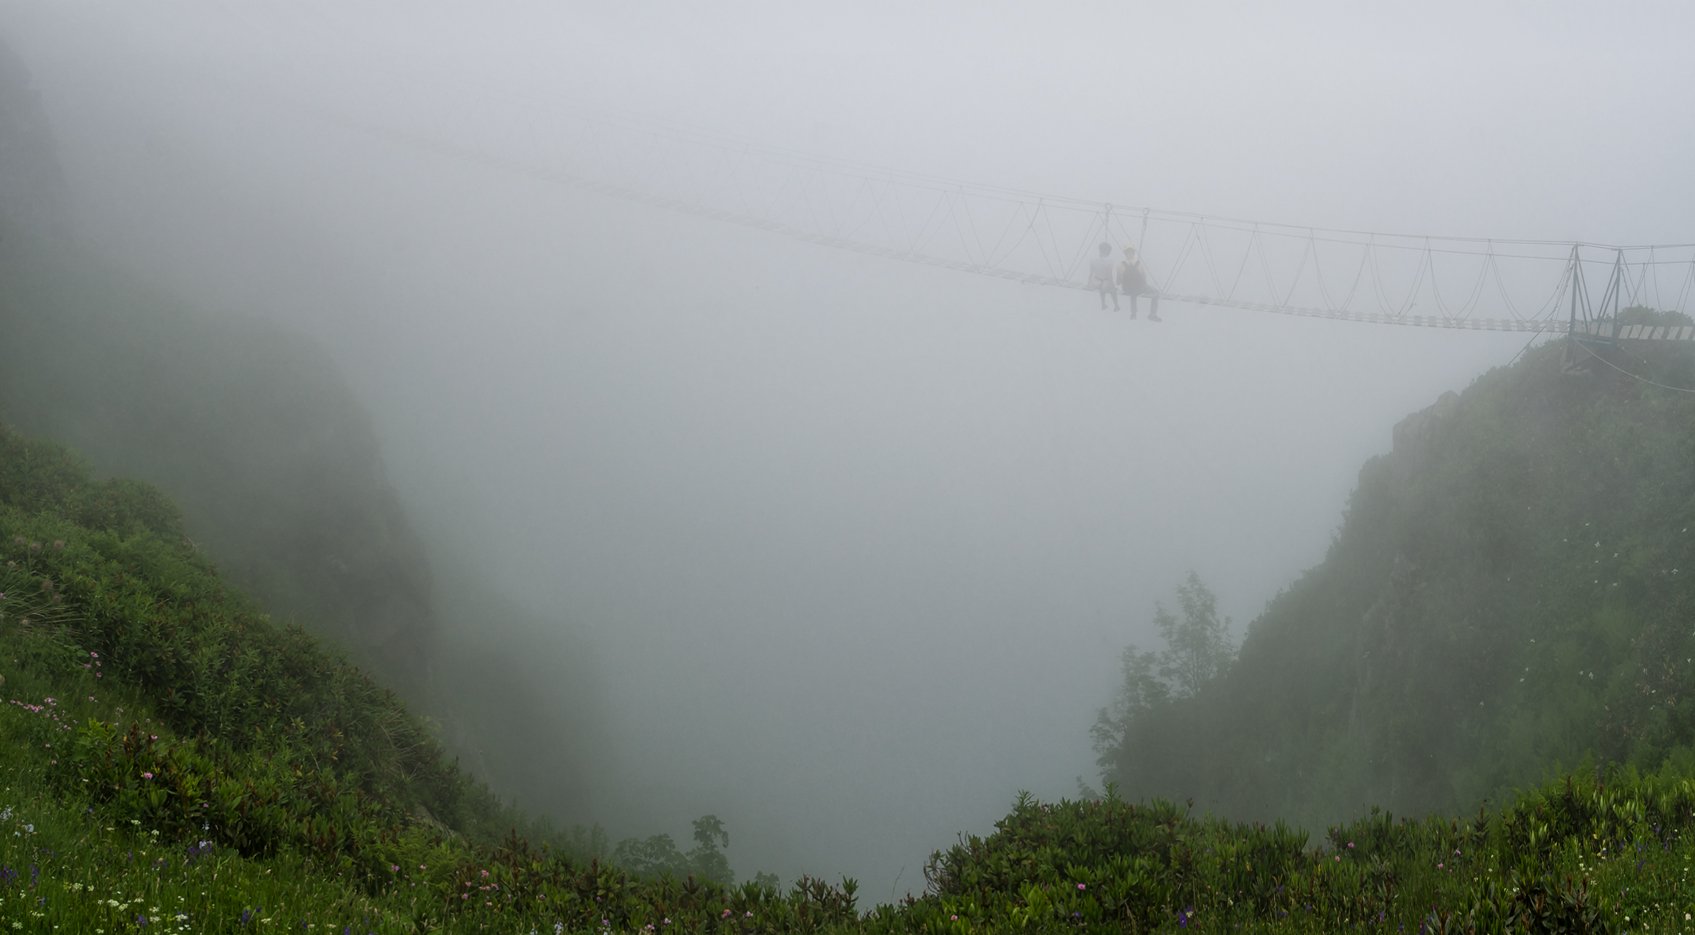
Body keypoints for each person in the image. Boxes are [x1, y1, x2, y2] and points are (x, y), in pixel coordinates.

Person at [1118, 245, 1162, 321]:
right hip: (1139, 288)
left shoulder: (1121, 265)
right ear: (1133, 253)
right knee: (1156, 293)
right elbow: (1144, 277)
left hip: (1127, 289)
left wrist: (1123, 286)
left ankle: (1133, 314)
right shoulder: (1138, 264)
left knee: (1133, 293)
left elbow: (1119, 279)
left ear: (1125, 254)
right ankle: (1152, 314)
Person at [1087, 243, 1120, 311]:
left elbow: (1091, 273)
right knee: (1112, 290)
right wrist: (1112, 285)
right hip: (1104, 282)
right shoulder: (1109, 261)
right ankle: (1116, 306)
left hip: (1095, 281)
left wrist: (1089, 283)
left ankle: (1103, 304)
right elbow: (1109, 274)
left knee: (1102, 286)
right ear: (1108, 252)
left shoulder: (1093, 260)